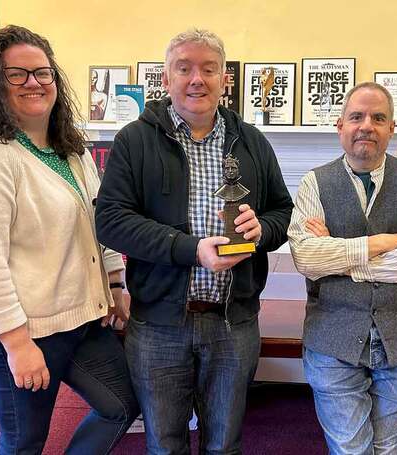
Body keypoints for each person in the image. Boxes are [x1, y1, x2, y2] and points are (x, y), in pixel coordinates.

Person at [0, 25, 139, 454]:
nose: (34, 83)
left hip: (80, 317)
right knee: (24, 443)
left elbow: (97, 222)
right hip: (20, 330)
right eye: (17, 74)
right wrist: (17, 344)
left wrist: (115, 282)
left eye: (43, 73)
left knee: (121, 405)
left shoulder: (71, 151)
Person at [95, 28, 293, 454]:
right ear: (166, 80)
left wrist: (263, 232)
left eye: (208, 68)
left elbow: (283, 212)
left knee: (224, 444)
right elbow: (110, 221)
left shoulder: (252, 142)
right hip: (159, 324)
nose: (196, 79)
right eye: (184, 69)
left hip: (233, 322)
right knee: (165, 443)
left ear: (225, 79)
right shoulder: (134, 141)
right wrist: (191, 249)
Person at [288, 82, 397, 454]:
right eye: (356, 117)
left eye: (378, 118)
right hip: (332, 340)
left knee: (391, 449)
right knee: (350, 449)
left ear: (392, 128)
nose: (366, 126)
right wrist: (383, 244)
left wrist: (339, 259)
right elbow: (306, 259)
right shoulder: (314, 182)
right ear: (340, 126)